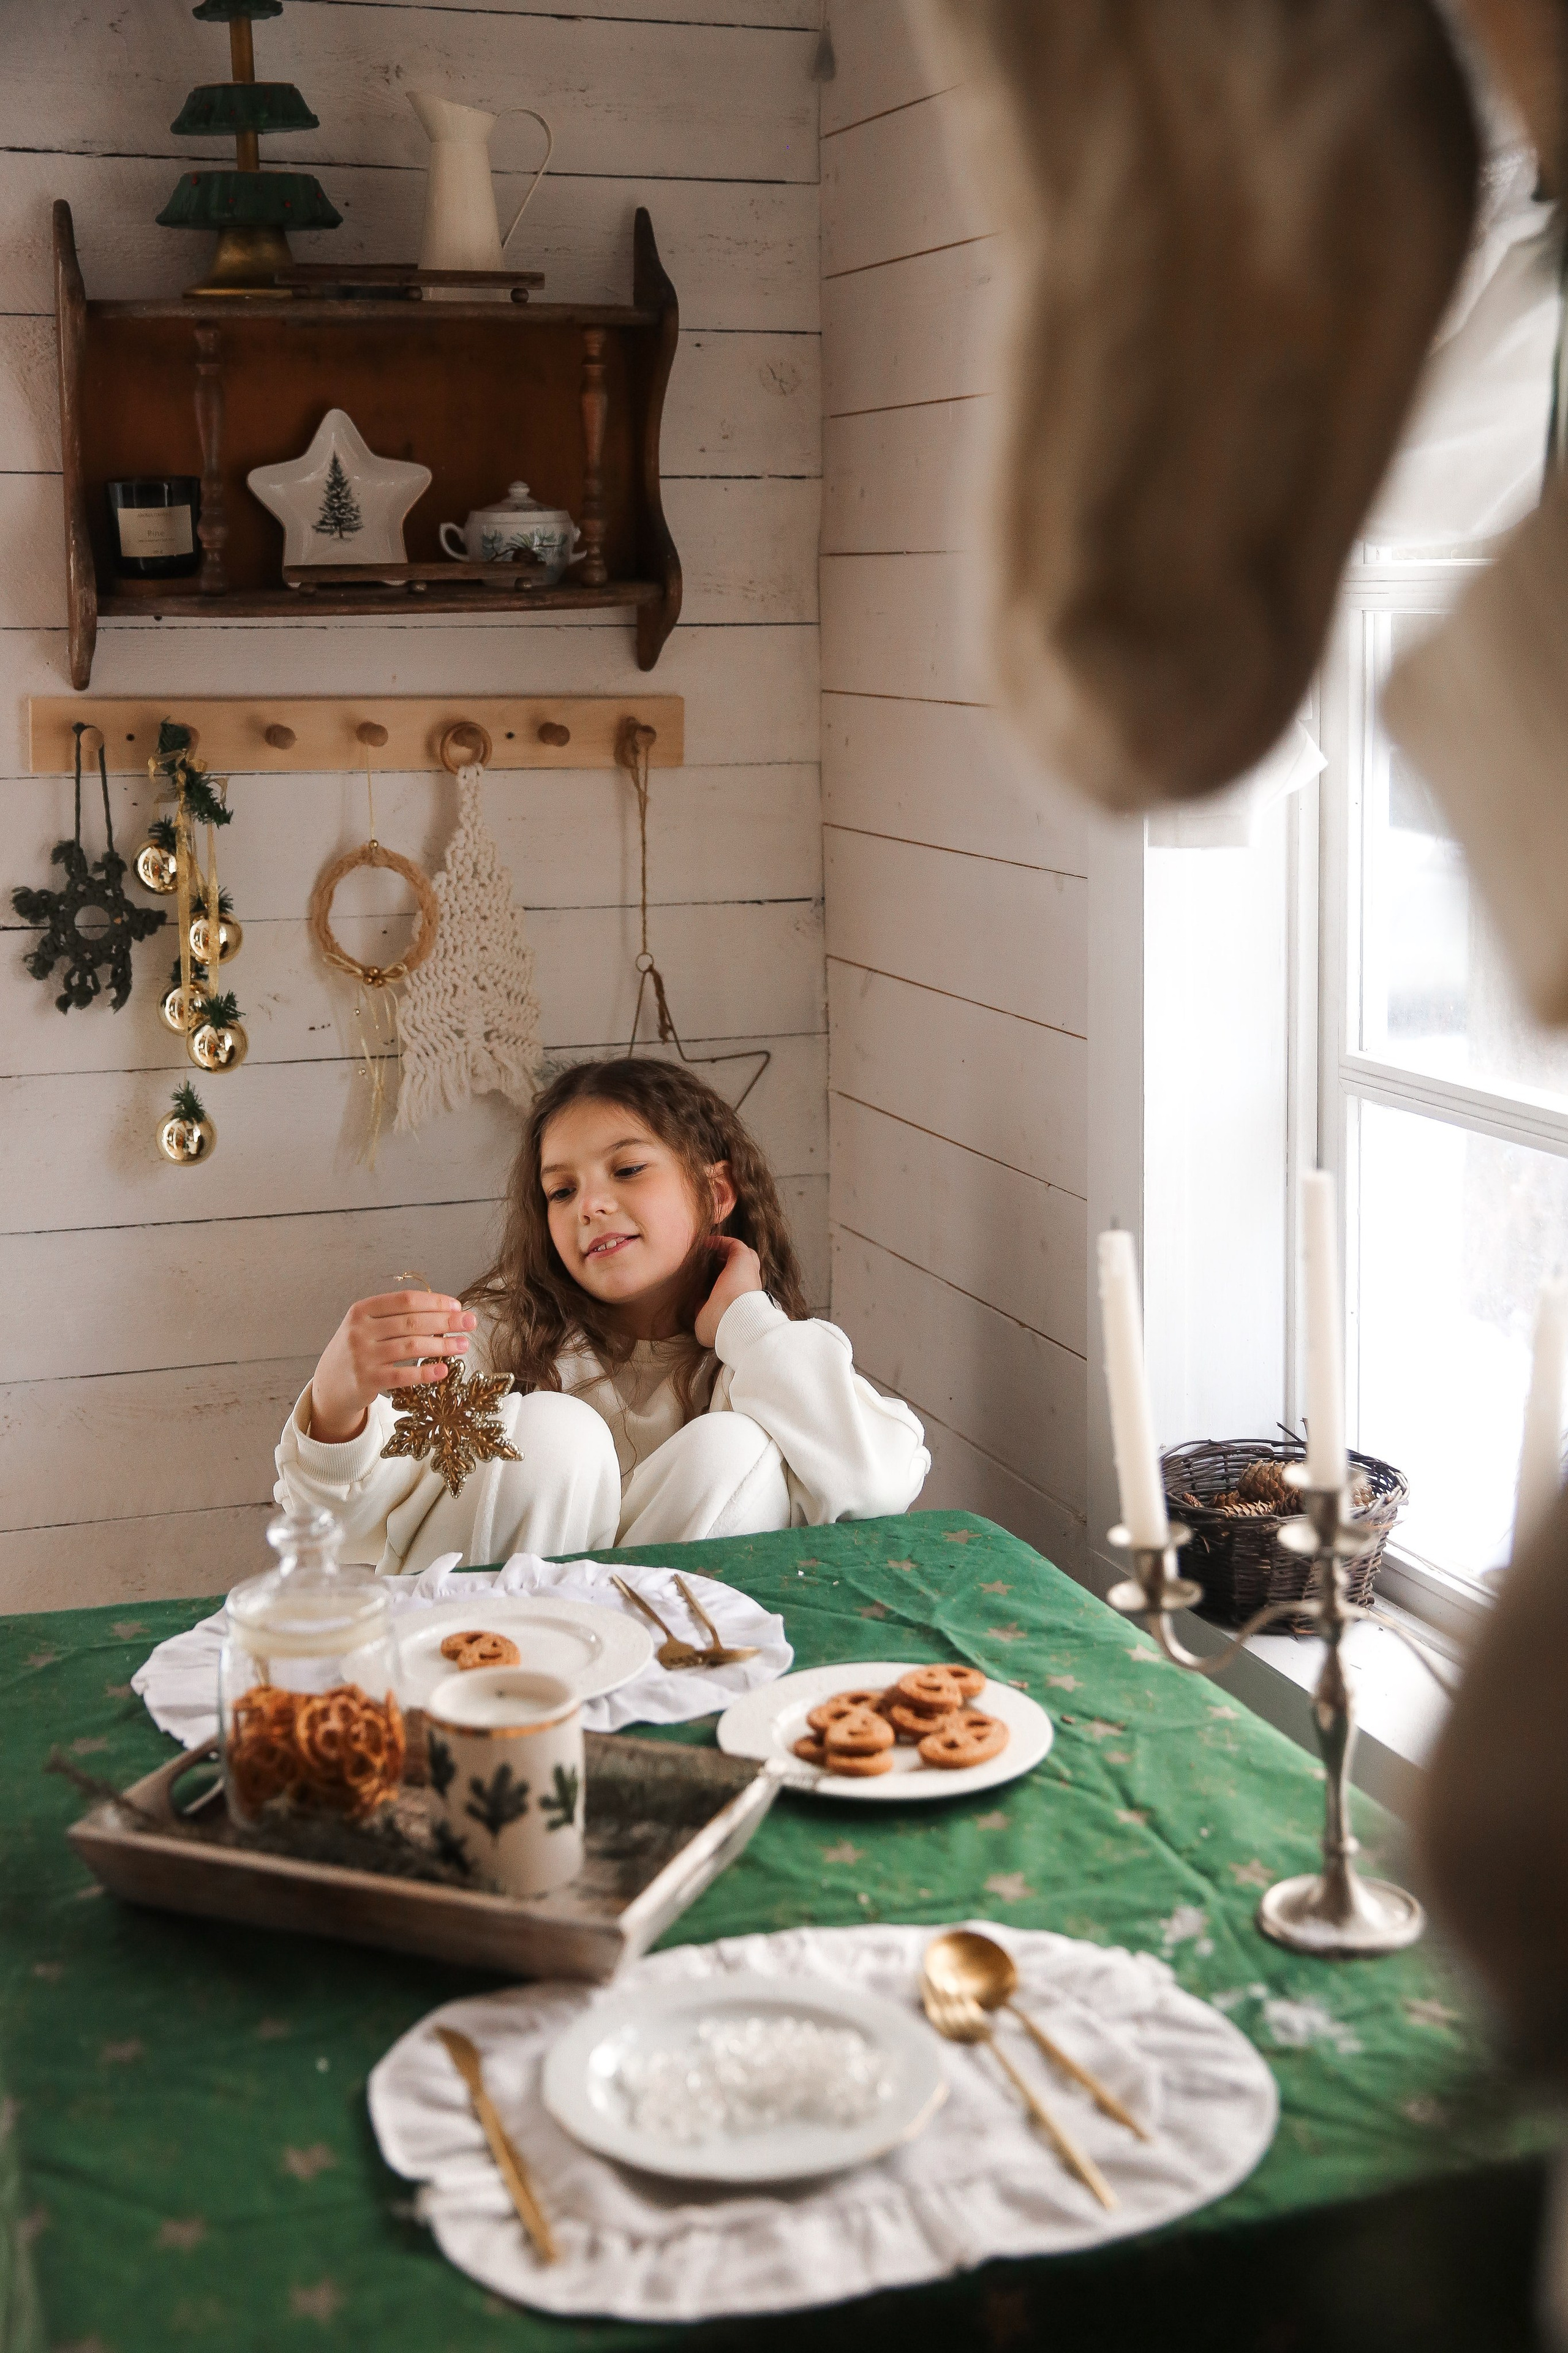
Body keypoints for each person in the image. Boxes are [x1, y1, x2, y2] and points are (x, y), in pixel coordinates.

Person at [274, 1058, 930, 1573]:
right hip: (480, 1664)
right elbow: (344, 1524)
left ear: (716, 1191)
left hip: (665, 1676)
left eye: (627, 1169)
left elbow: (876, 1482)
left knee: (734, 1449)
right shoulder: (500, 1336)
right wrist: (339, 1405)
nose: (590, 1205)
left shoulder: (761, 1358)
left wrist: (747, 1324)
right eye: (562, 1190)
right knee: (555, 1434)